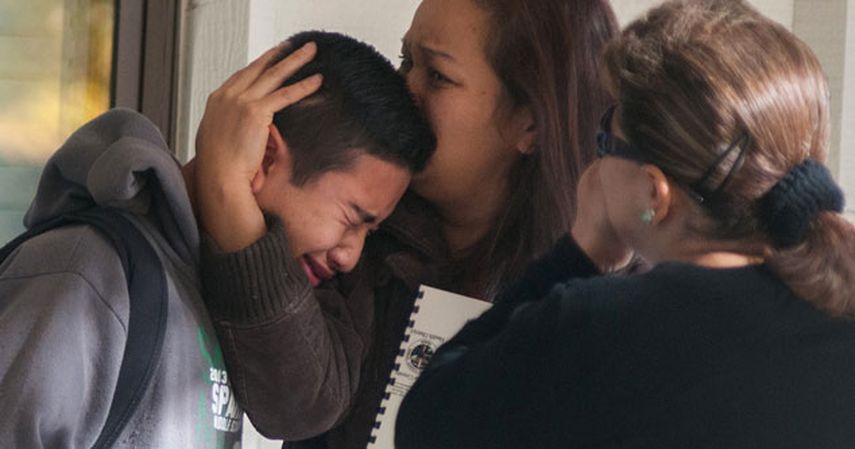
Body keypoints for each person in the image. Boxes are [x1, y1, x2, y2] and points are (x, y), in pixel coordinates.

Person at [394, 1, 855, 447]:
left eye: (606, 138)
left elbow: (428, 421)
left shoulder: (601, 326)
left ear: (654, 194)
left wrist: (580, 252)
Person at [193, 0, 618, 447]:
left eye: (437, 76)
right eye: (406, 60)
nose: (403, 91)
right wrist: (226, 191)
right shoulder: (350, 242)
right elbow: (297, 402)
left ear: (529, 124)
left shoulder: (596, 298)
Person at [0, 31, 433, 449]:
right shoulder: (86, 273)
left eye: (370, 233)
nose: (351, 256)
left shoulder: (219, 294)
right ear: (264, 155)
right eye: (352, 218)